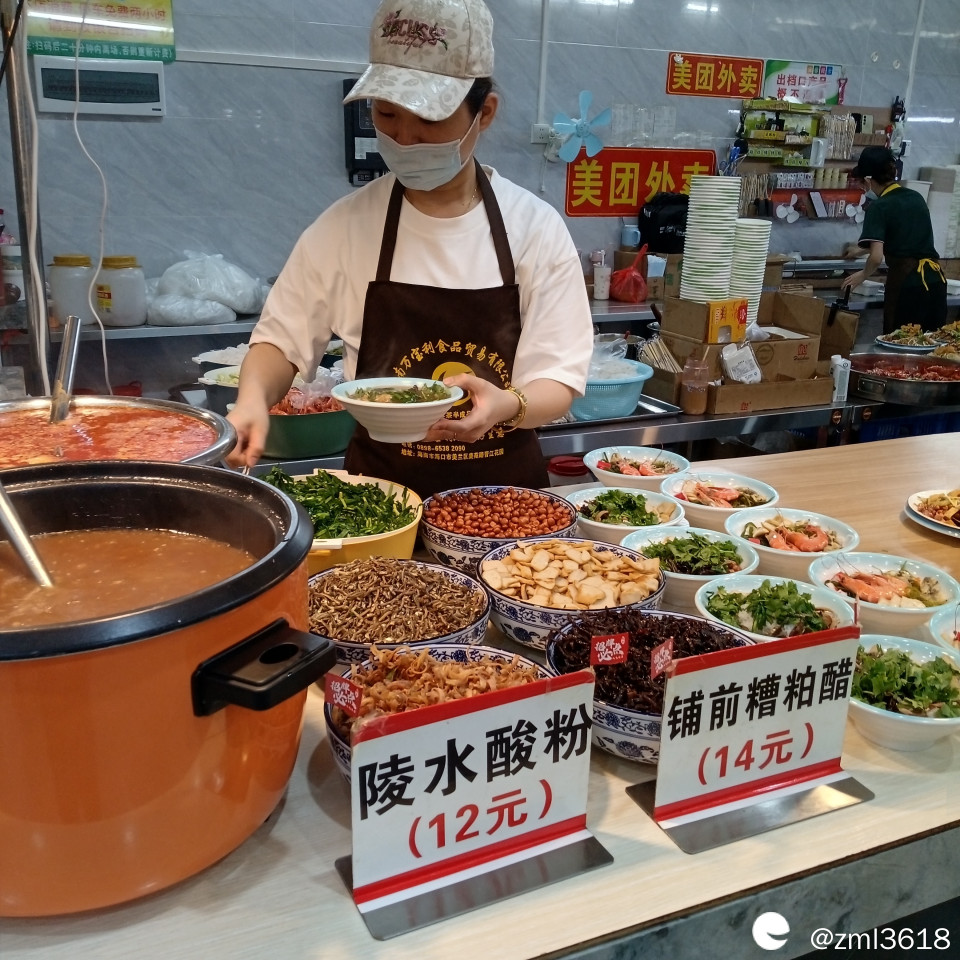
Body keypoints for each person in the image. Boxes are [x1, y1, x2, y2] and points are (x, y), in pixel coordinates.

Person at [227, 0, 593, 498]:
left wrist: (507, 406)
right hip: (378, 501)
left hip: (503, 506)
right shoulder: (344, 226)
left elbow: (558, 377)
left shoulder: (534, 227)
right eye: (386, 113)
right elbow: (280, 341)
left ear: (483, 113)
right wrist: (252, 400)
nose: (403, 137)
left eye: (428, 118)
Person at [841, 145, 947, 333]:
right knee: (932, 344)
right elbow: (904, 236)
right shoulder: (915, 197)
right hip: (936, 282)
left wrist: (862, 275)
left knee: (900, 343)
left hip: (909, 286)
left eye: (861, 182)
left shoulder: (879, 206)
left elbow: (876, 258)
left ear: (868, 180)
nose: (862, 188)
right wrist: (860, 249)